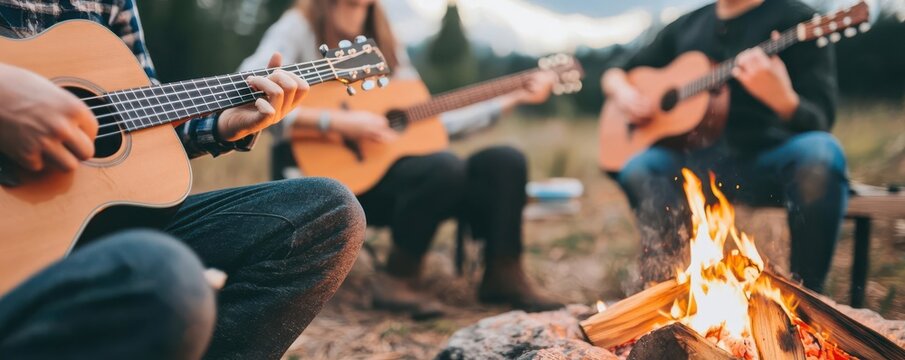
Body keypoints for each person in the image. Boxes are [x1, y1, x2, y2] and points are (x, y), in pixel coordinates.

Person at [0, 1, 365, 359]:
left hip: (95, 229)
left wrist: (224, 125)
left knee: (328, 211)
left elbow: (142, 116)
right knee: (165, 272)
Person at [239, 0, 562, 318]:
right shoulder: (300, 25)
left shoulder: (385, 36)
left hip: (412, 180)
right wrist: (337, 122)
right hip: (338, 182)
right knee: (443, 166)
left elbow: (429, 119)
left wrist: (512, 97)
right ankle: (397, 279)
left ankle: (504, 276)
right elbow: (247, 89)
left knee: (504, 161)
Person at [602, 0, 847, 292]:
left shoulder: (800, 21)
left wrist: (783, 100)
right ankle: (666, 286)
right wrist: (623, 93)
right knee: (639, 167)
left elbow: (821, 119)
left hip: (768, 161)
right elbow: (615, 71)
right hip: (692, 165)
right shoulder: (688, 25)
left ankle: (806, 297)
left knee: (822, 154)